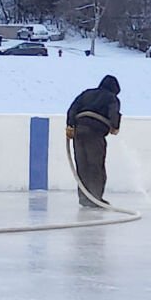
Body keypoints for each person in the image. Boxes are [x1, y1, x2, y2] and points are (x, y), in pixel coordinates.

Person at [65, 74, 122, 208]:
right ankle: (96, 198)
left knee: (82, 165)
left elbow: (72, 108)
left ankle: (84, 198)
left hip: (79, 131)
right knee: (96, 166)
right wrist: (115, 126)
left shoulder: (86, 94)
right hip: (95, 133)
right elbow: (113, 113)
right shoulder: (111, 98)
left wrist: (70, 125)